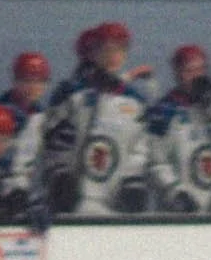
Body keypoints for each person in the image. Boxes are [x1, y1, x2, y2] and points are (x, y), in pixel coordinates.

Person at [41, 22, 156, 217]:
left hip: (116, 206)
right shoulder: (72, 93)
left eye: (119, 49)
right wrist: (60, 173)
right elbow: (52, 137)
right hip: (73, 204)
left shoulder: (135, 100)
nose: (112, 56)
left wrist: (133, 181)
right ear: (93, 53)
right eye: (106, 49)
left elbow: (140, 147)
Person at [147, 44, 211, 213]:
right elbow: (156, 161)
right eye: (189, 70)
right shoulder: (164, 111)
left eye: (200, 69)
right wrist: (175, 192)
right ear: (177, 73)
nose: (196, 76)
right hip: (177, 210)